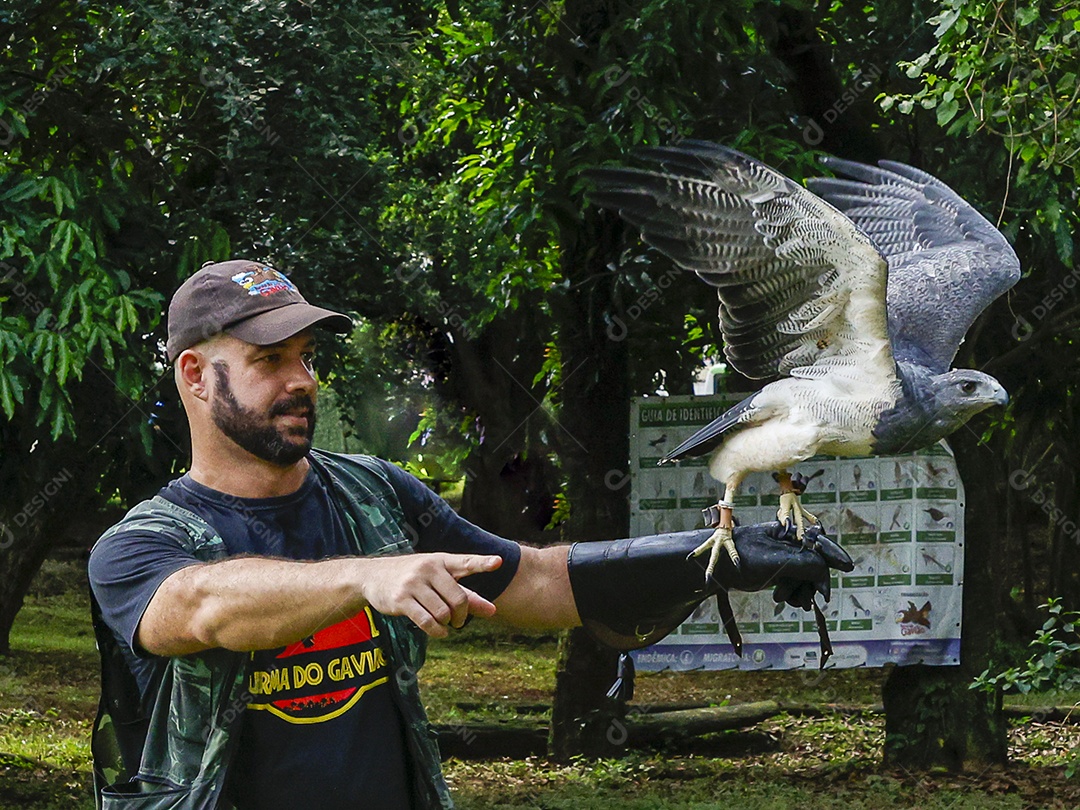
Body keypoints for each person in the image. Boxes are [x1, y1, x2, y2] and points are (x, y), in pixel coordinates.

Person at [87, 259, 852, 810]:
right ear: (194, 375)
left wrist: (704, 560)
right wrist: (364, 579)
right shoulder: (142, 544)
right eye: (268, 361)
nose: (301, 381)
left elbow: (538, 583)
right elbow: (201, 609)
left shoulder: (375, 493)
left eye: (307, 358)